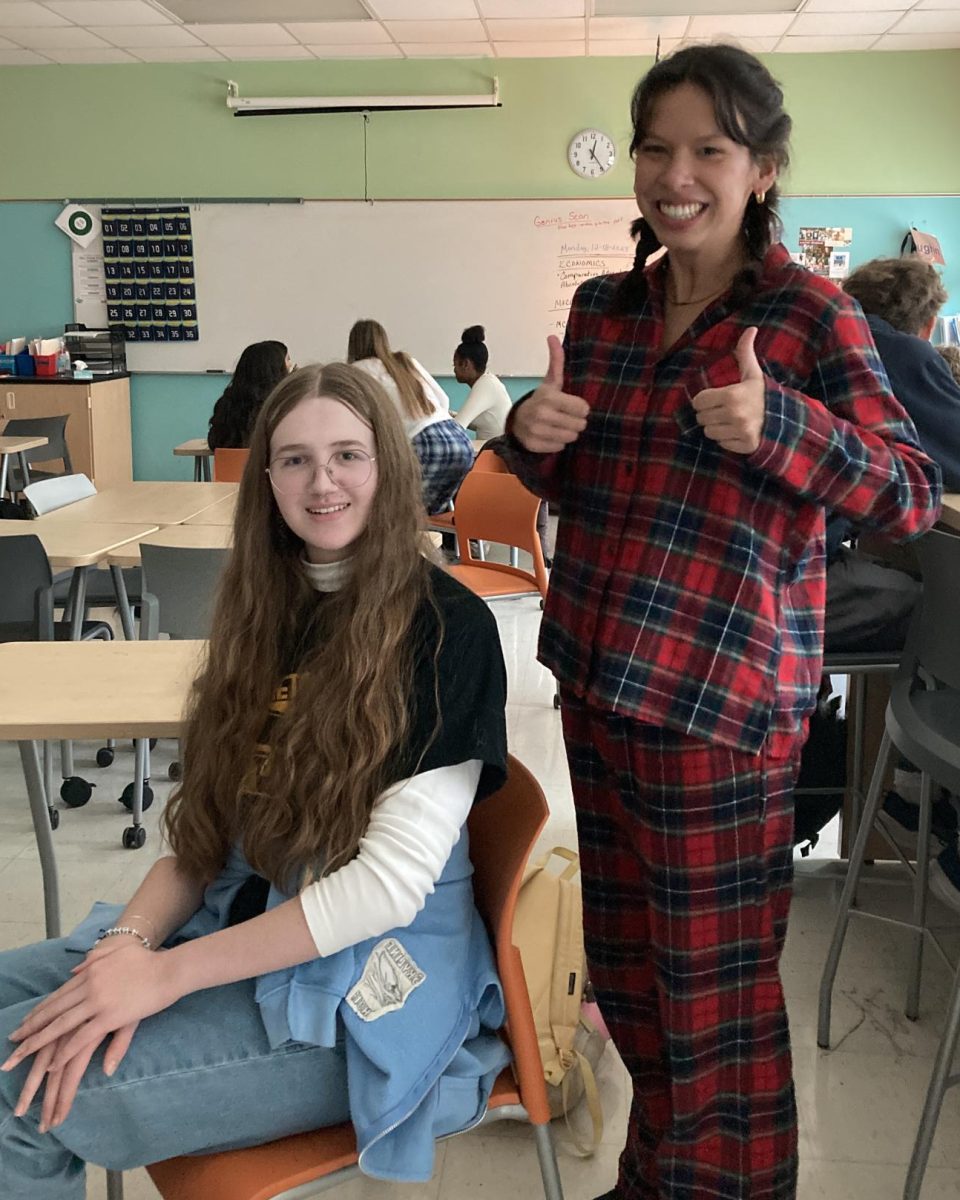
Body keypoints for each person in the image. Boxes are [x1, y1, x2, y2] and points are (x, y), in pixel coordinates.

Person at [499, 44, 941, 1200]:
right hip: (598, 685)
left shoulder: (809, 316)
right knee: (634, 988)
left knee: (716, 1010)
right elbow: (577, 481)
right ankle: (656, 1177)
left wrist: (779, 425)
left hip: (721, 708)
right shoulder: (603, 308)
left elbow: (904, 490)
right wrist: (529, 442)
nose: (675, 173)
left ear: (764, 169)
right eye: (657, 147)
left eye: (709, 149)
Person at [0, 363, 510, 1197]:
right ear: (263, 477)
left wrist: (162, 976)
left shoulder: (445, 629)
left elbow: (385, 890)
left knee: (15, 1095)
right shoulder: (264, 611)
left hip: (361, 989)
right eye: (296, 459)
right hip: (242, 926)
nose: (324, 482)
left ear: (387, 464)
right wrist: (126, 948)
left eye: (348, 454)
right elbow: (202, 844)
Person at [347, 319, 474, 515]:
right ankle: (457, 544)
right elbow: (444, 400)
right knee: (431, 514)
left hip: (422, 443)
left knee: (391, 512)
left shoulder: (354, 372)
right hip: (458, 439)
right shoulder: (404, 361)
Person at [207, 339, 291, 450]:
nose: (291, 365)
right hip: (265, 467)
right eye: (288, 359)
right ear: (276, 369)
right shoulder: (280, 404)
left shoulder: (226, 403)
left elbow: (214, 443)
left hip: (231, 467)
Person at [452, 325, 513, 440]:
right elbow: (476, 423)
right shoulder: (489, 382)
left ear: (466, 364)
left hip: (495, 455)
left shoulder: (486, 386)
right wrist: (448, 414)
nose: (454, 369)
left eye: (455, 364)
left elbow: (457, 427)